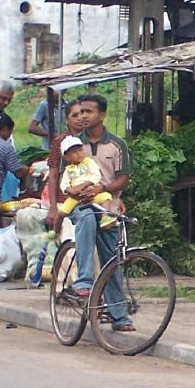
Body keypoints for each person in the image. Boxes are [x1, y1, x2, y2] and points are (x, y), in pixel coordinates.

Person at [63, 93, 133, 332]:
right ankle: (83, 281)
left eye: (88, 112)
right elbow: (64, 176)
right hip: (80, 204)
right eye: (80, 112)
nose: (83, 116)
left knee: (111, 262)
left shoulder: (116, 144)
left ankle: (119, 316)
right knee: (85, 219)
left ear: (102, 115)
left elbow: (122, 178)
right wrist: (74, 192)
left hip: (107, 207)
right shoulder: (73, 144)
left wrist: (103, 189)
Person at [56, 135, 116, 229]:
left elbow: (96, 175)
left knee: (106, 197)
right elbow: (64, 183)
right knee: (61, 213)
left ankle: (105, 218)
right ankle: (55, 231)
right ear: (67, 157)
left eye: (80, 150)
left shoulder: (89, 163)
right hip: (75, 196)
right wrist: (70, 190)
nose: (79, 154)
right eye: (74, 152)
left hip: (91, 192)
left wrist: (84, 185)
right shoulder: (68, 170)